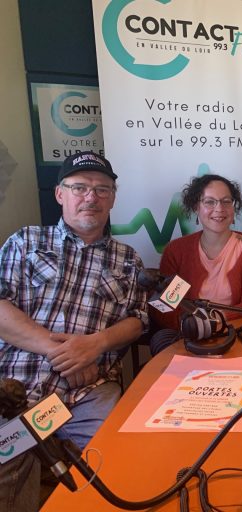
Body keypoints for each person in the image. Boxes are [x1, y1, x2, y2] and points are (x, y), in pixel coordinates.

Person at [0, 151, 148, 511]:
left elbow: (139, 319)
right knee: (8, 464)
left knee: (122, 464)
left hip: (88, 391)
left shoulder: (128, 259)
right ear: (60, 194)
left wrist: (96, 345)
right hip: (14, 384)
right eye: (80, 187)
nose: (90, 197)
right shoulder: (25, 241)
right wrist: (67, 354)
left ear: (112, 199)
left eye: (102, 189)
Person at [151, 174, 242, 334]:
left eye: (226, 201)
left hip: (240, 333)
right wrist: (191, 326)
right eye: (209, 202)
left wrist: (218, 318)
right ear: (196, 207)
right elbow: (166, 306)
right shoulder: (177, 252)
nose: (219, 209)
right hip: (187, 337)